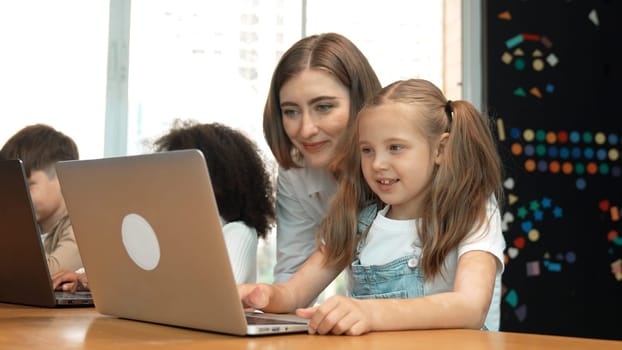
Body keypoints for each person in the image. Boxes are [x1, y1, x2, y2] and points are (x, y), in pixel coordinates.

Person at [238, 78, 506, 335]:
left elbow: (471, 307)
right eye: (367, 150)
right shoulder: (357, 222)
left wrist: (370, 313)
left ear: (441, 149)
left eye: (395, 147)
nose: (377, 164)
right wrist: (263, 295)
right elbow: (295, 293)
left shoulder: (473, 211)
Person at [52, 120, 276, 290]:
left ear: (219, 182)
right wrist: (88, 277)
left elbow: (213, 291)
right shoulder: (173, 231)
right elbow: (132, 264)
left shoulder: (237, 232)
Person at [263, 32, 382, 285]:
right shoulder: (296, 172)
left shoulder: (410, 162)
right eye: (291, 111)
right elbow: (292, 276)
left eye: (324, 107)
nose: (306, 130)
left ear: (361, 103)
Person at [0, 123, 83, 276]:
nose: (17, 197)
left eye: (26, 186)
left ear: (62, 178)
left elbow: (46, 275)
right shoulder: (38, 227)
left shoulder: (81, 226)